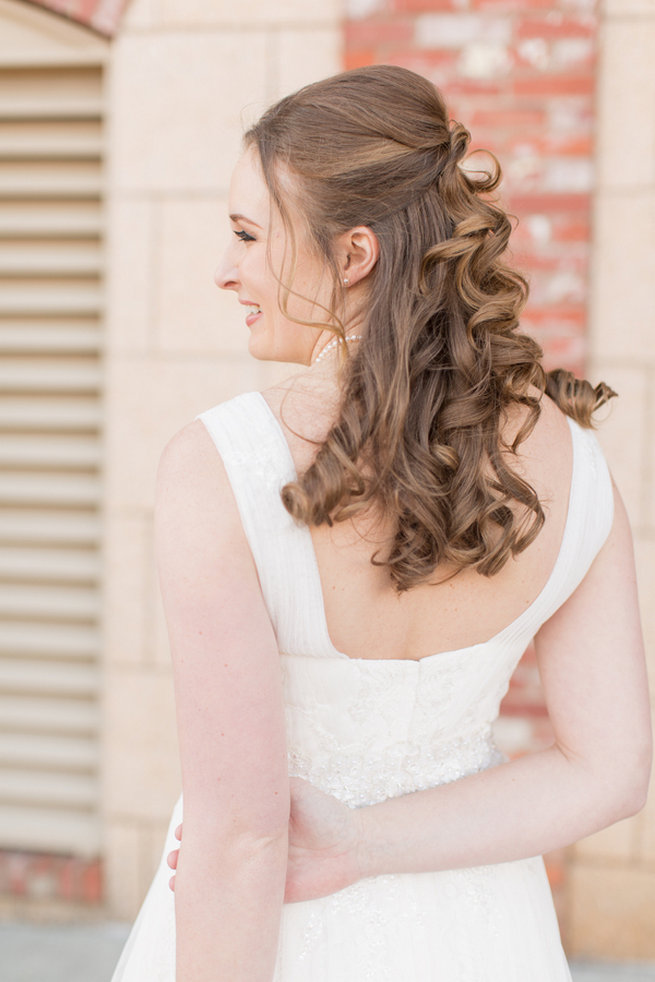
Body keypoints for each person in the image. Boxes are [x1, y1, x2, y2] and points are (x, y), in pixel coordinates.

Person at [110, 65, 651, 982]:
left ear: (354, 255)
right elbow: (608, 773)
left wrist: (338, 847)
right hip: (485, 935)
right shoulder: (576, 468)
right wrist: (360, 843)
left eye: (246, 234)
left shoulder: (225, 466)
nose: (223, 268)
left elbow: (242, 844)